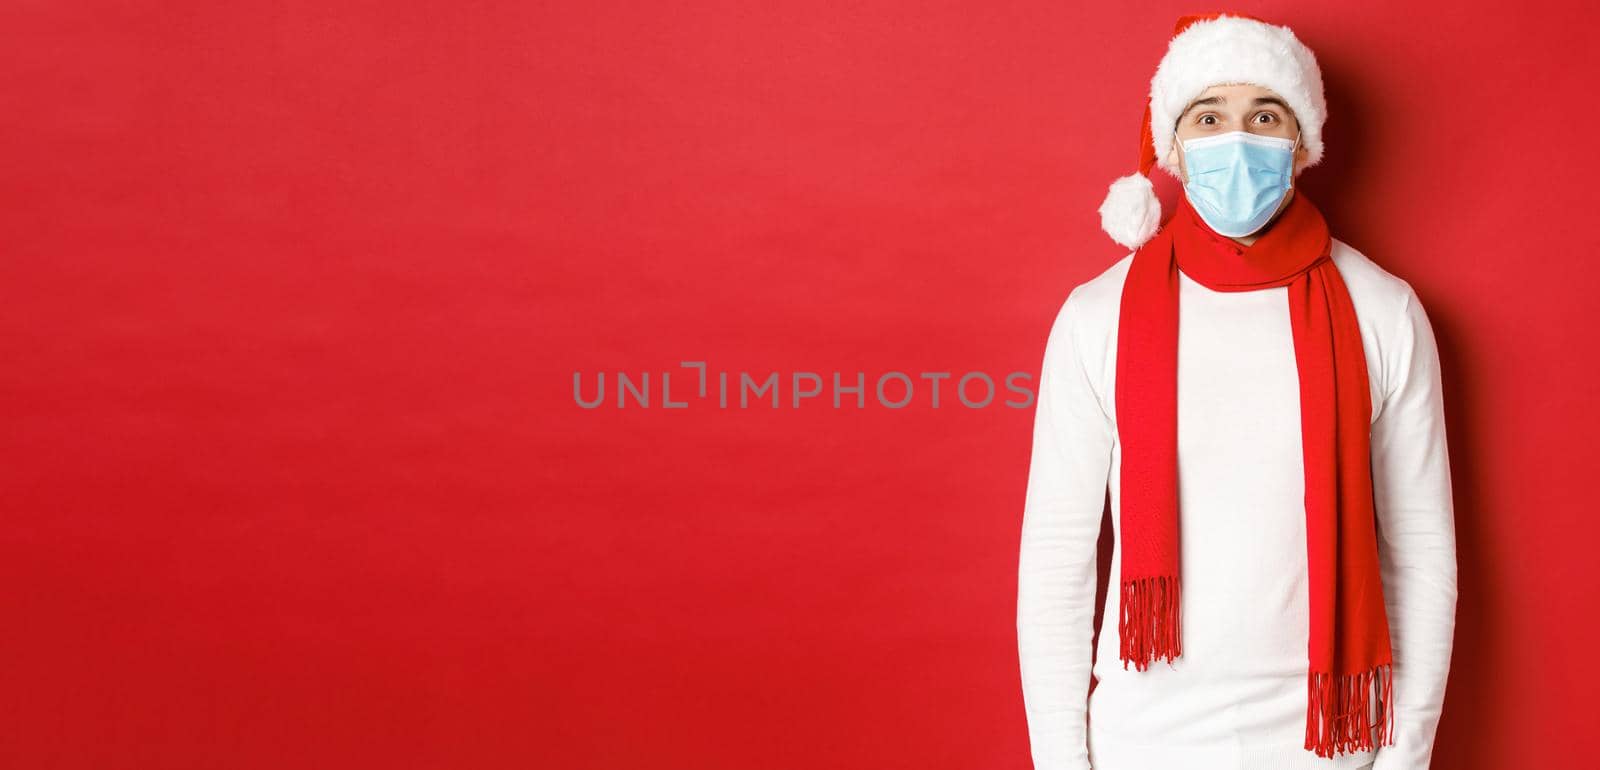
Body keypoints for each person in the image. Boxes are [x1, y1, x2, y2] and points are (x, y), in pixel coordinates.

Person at [1015, 13, 1458, 770]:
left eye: (1264, 115)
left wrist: (1402, 758)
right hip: (1142, 745)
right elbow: (1057, 562)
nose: (1237, 139)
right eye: (1209, 116)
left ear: (1302, 141)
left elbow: (1420, 555)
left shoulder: (1382, 311)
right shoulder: (1097, 317)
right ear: (1174, 143)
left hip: (1332, 744)